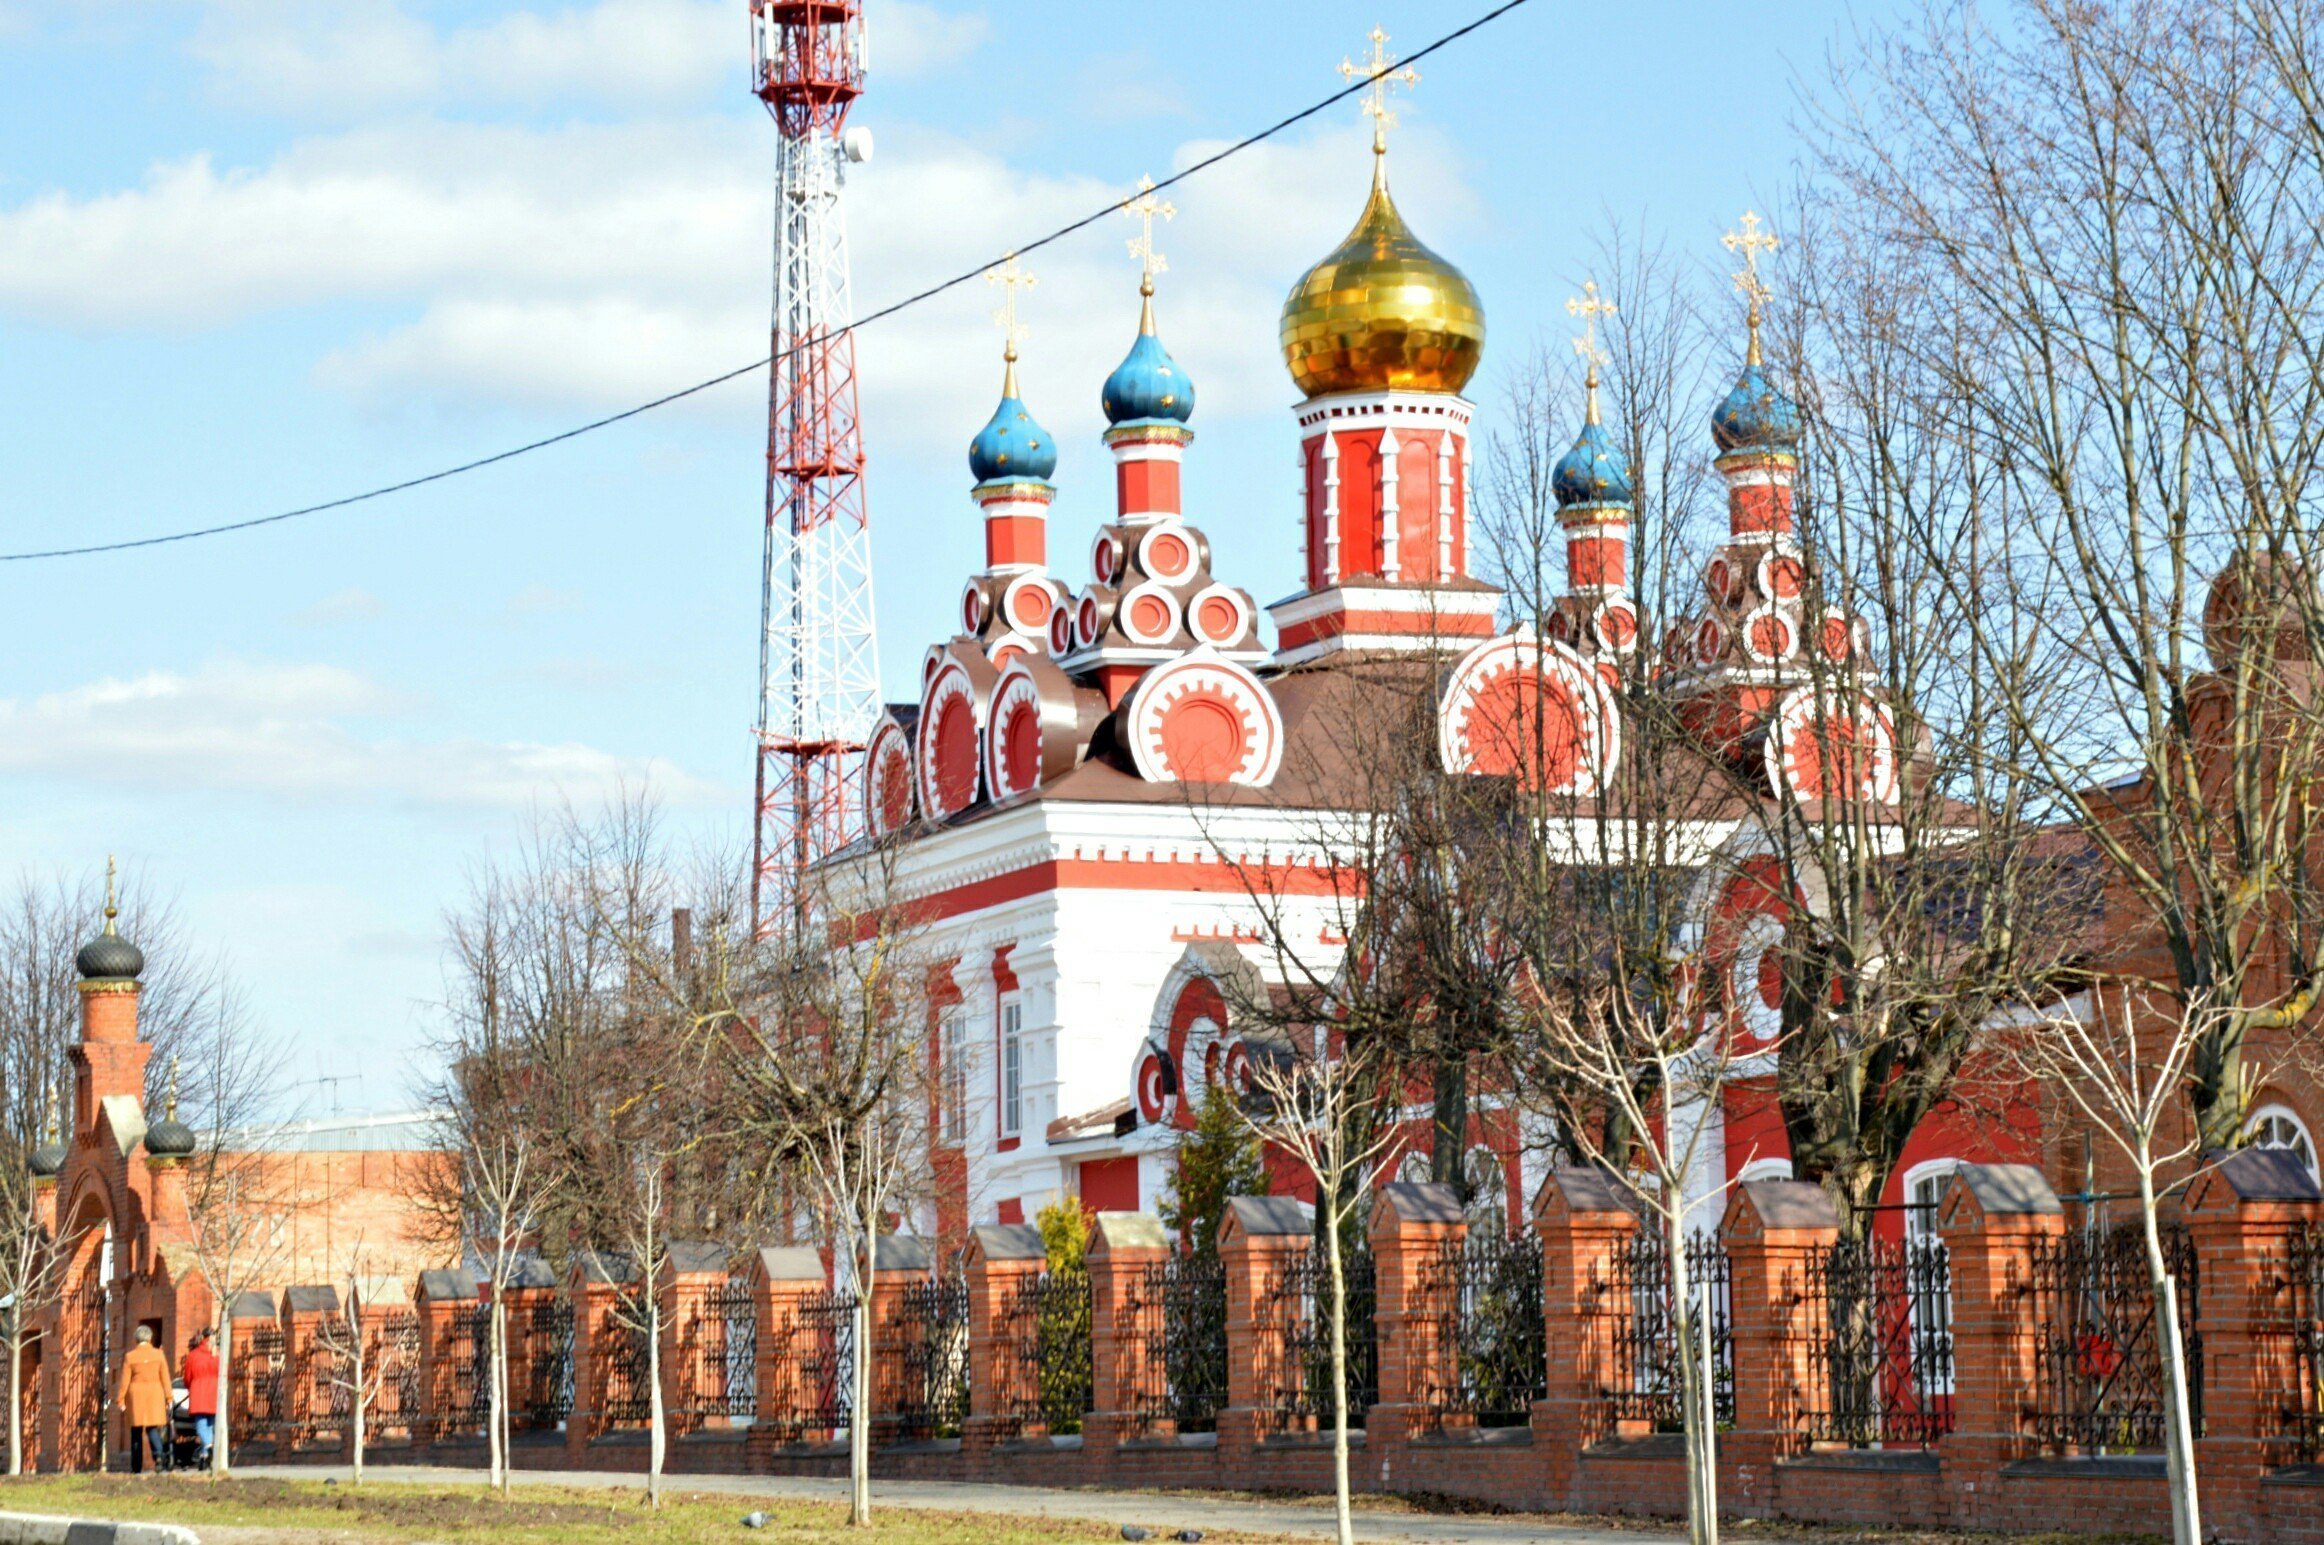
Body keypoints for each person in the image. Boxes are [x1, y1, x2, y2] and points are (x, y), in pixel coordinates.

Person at [118, 1324, 171, 1474]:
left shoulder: (130, 1356)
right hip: (155, 1393)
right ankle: (159, 1456)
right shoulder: (159, 1355)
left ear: (136, 1339)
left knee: (136, 1431)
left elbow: (124, 1381)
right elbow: (165, 1378)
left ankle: (136, 1466)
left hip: (136, 1395)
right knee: (152, 1428)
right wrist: (169, 1398)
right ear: (150, 1338)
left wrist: (121, 1400)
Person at [182, 1328, 219, 1470]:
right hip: (214, 1392)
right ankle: (204, 1456)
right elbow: (226, 1373)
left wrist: (190, 1386)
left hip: (199, 1392)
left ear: (202, 1337)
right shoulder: (217, 1355)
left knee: (201, 1425)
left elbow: (187, 1377)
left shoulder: (193, 1355)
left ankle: (208, 1446)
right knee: (210, 1424)